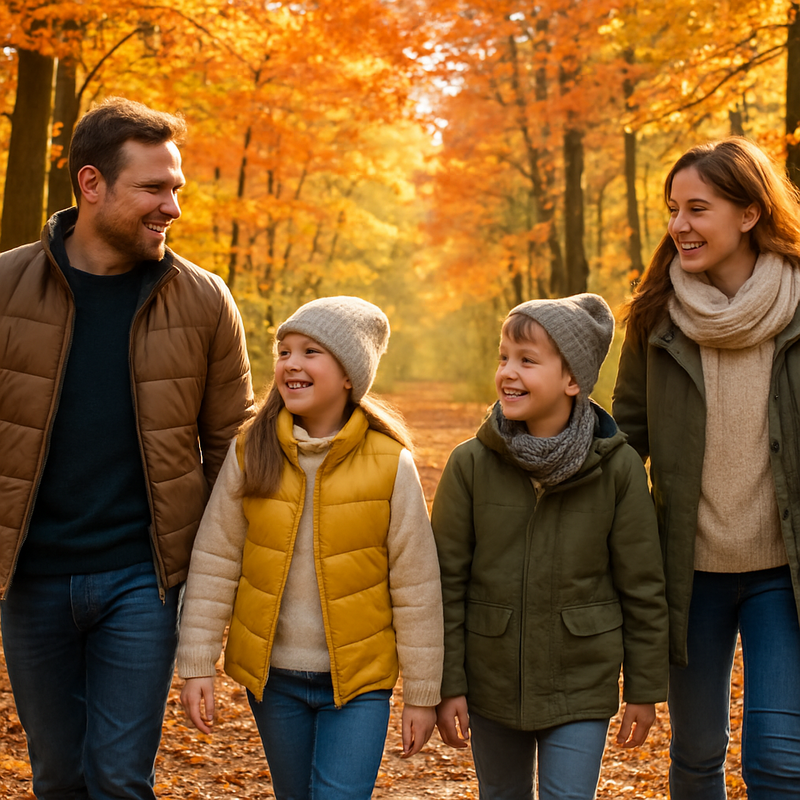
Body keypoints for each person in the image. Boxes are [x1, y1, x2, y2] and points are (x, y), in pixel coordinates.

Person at [0, 97, 254, 800]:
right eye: (153, 187)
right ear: (91, 185)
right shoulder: (3, 289)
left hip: (144, 581)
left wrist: (229, 580)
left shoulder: (204, 301)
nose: (171, 205)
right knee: (57, 778)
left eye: (175, 188)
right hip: (32, 582)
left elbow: (236, 450)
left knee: (118, 778)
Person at [176, 296, 443, 800]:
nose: (291, 363)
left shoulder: (391, 464)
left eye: (311, 351)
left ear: (349, 376)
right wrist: (196, 664)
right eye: (284, 350)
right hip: (275, 681)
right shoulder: (249, 451)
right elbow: (215, 560)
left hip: (360, 684)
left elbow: (417, 585)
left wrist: (422, 693)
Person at [613, 137, 800, 799]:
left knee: (779, 759)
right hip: (688, 573)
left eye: (698, 208)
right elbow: (624, 436)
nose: (679, 226)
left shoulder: (799, 309)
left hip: (785, 569)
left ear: (749, 214)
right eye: (673, 209)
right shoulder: (656, 317)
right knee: (695, 756)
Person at [432, 294, 669, 800]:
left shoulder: (618, 468)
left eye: (527, 360)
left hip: (581, 679)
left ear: (573, 380)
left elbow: (643, 584)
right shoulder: (470, 465)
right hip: (490, 677)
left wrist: (644, 690)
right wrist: (447, 683)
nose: (508, 373)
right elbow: (446, 583)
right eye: (503, 358)